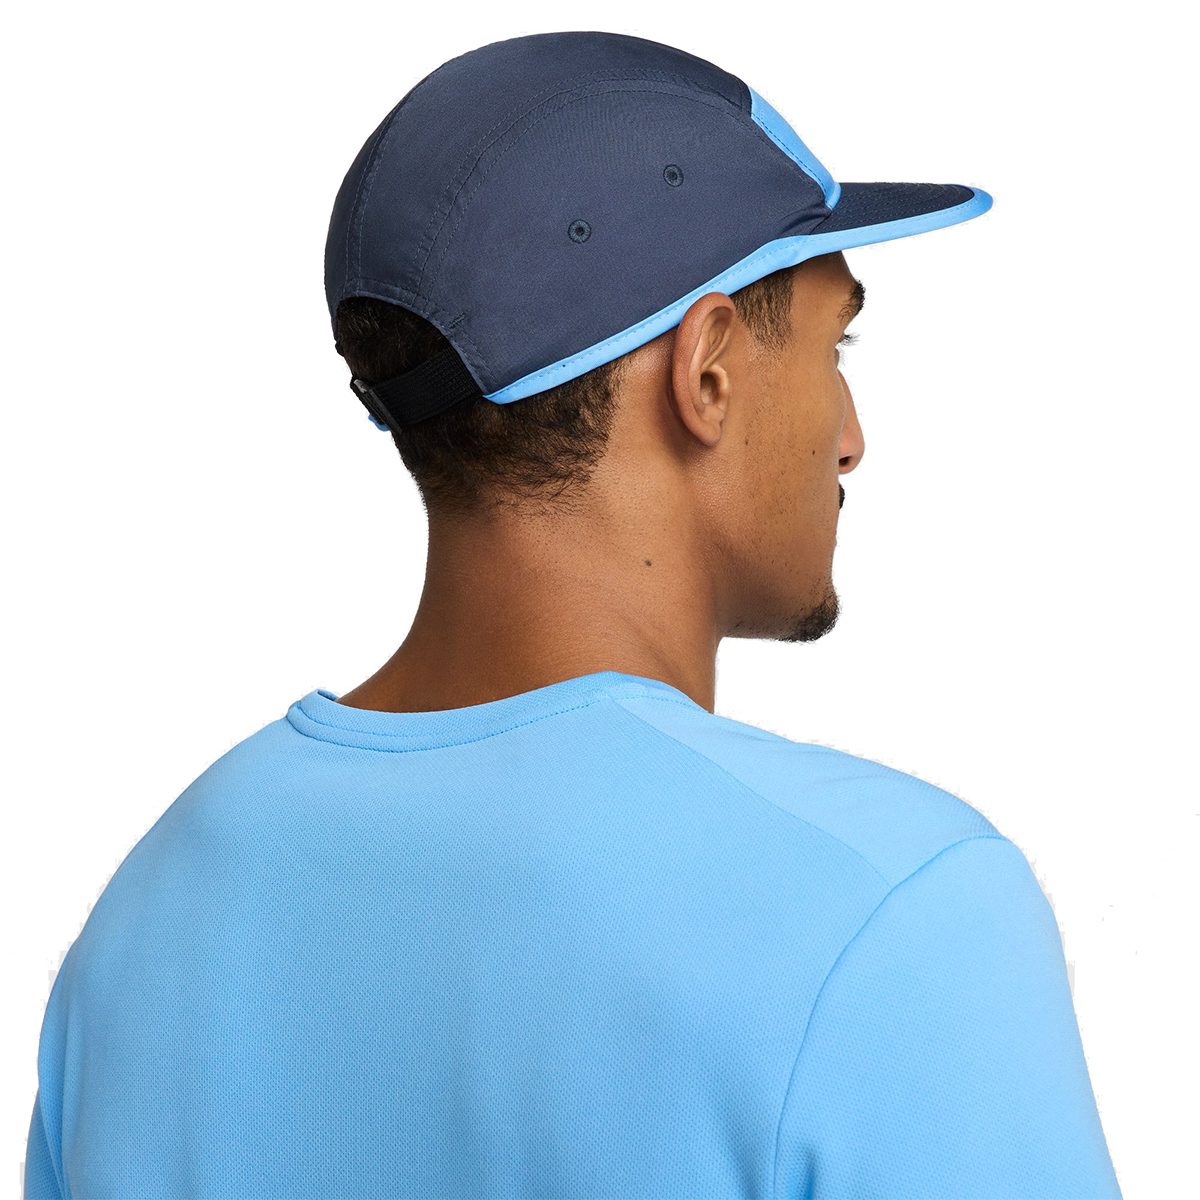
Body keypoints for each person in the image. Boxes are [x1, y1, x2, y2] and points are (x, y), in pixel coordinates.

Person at [24, 30, 1121, 1199]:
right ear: (707, 371)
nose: (851, 437)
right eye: (834, 342)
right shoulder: (896, 912)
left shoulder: (148, 916)